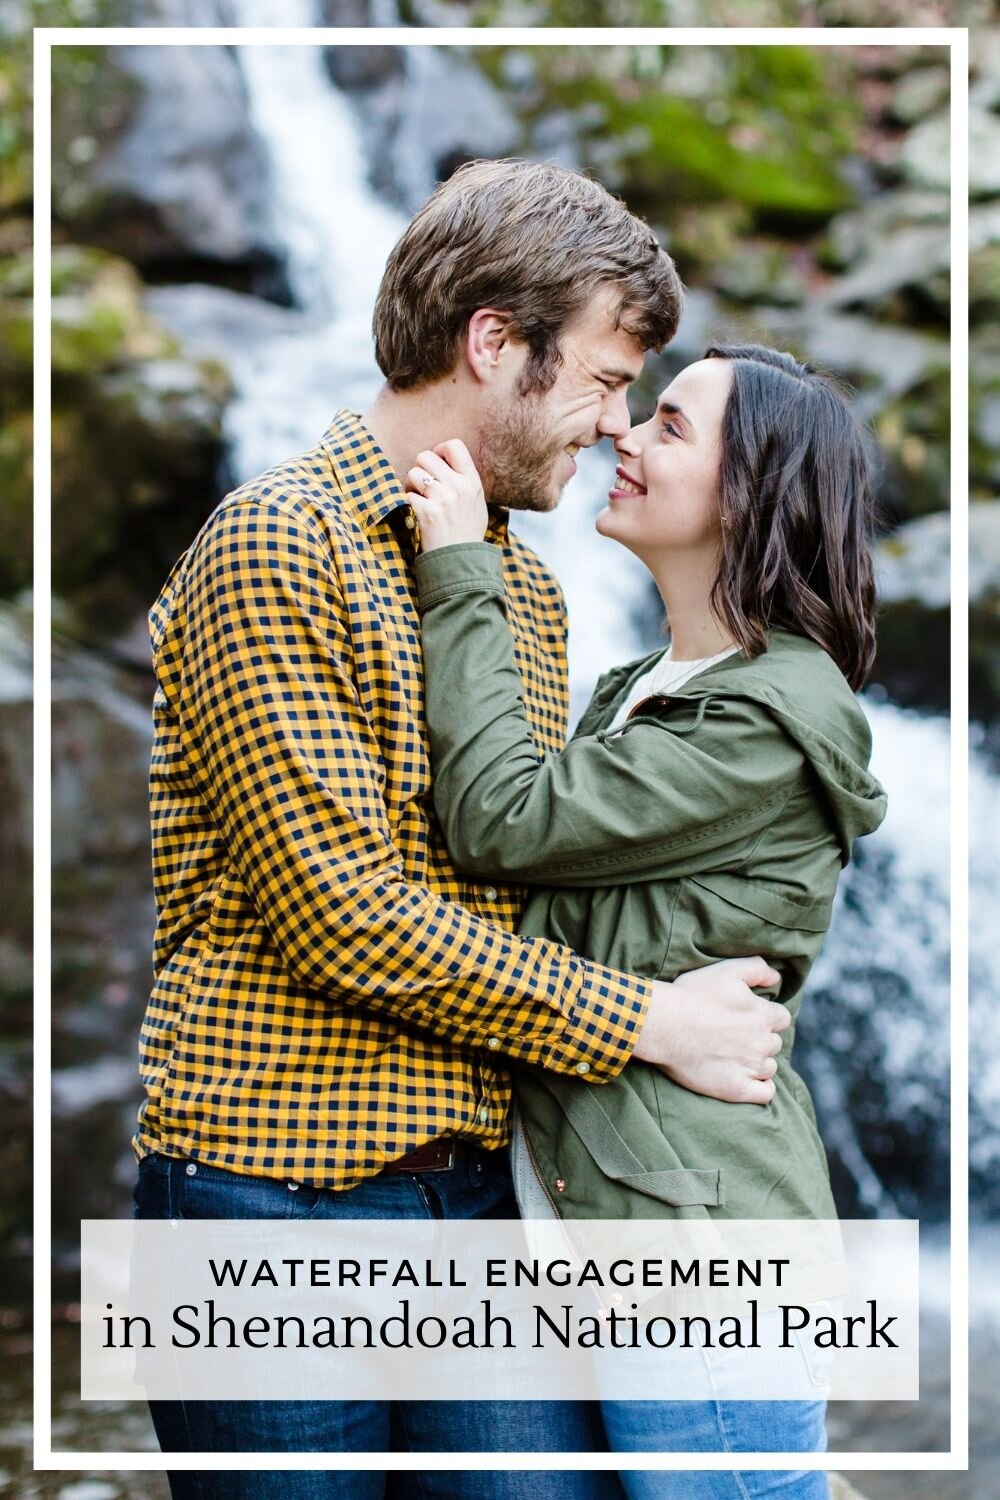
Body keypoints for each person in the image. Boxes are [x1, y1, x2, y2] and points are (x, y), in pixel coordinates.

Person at [132, 160, 792, 1499]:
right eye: (608, 381)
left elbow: (523, 866)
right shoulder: (275, 544)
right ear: (495, 342)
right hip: (272, 1201)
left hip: (477, 1197)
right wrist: (650, 1023)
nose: (617, 427)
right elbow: (341, 912)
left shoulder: (522, 595)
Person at [406, 343, 888, 1500]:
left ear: (749, 491)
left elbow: (499, 819)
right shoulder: (638, 689)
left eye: (669, 426)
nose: (624, 434)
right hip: (596, 1212)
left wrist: (463, 566)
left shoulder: (765, 721)